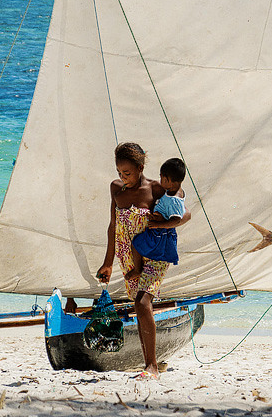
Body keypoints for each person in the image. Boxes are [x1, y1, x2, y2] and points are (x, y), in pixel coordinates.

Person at [95, 142, 189, 379]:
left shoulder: (157, 188)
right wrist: (107, 263)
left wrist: (165, 223)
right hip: (128, 254)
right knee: (139, 305)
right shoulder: (116, 189)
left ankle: (152, 367)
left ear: (140, 167)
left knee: (142, 300)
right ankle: (149, 362)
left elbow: (184, 212)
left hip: (156, 251)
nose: (122, 177)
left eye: (127, 173)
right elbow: (113, 225)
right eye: (119, 172)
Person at [127, 157, 186, 279]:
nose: (160, 181)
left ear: (168, 180)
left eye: (162, 178)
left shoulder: (175, 199)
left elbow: (176, 220)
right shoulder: (172, 191)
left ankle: (137, 270)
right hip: (159, 228)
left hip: (159, 233)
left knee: (137, 243)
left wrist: (160, 224)